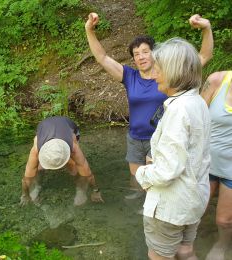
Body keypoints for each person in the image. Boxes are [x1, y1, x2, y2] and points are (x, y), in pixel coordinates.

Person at [85, 13, 213, 200]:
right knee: (137, 179)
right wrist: (89, 30)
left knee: (157, 182)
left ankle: (157, 207)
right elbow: (102, 58)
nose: (141, 57)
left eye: (145, 51)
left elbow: (204, 56)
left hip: (161, 138)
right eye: (136, 54)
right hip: (135, 138)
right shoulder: (129, 76)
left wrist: (206, 28)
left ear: (154, 53)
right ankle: (140, 209)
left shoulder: (170, 74)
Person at [134, 38, 211, 260]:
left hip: (171, 205)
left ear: (174, 72)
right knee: (186, 250)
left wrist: (143, 174)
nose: (155, 74)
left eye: (159, 69)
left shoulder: (178, 110)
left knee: (159, 255)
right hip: (195, 198)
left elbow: (169, 170)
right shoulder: (198, 103)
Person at [20, 116, 103, 206]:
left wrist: (96, 191)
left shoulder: (73, 146)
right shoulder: (36, 149)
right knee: (38, 168)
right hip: (44, 126)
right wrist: (25, 195)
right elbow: (27, 178)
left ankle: (80, 189)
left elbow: (87, 174)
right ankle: (37, 186)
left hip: (68, 126)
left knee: (72, 165)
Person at [201, 71, 232, 260]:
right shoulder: (216, 81)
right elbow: (194, 117)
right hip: (206, 162)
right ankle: (189, 240)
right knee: (196, 210)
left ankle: (222, 244)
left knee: (224, 220)